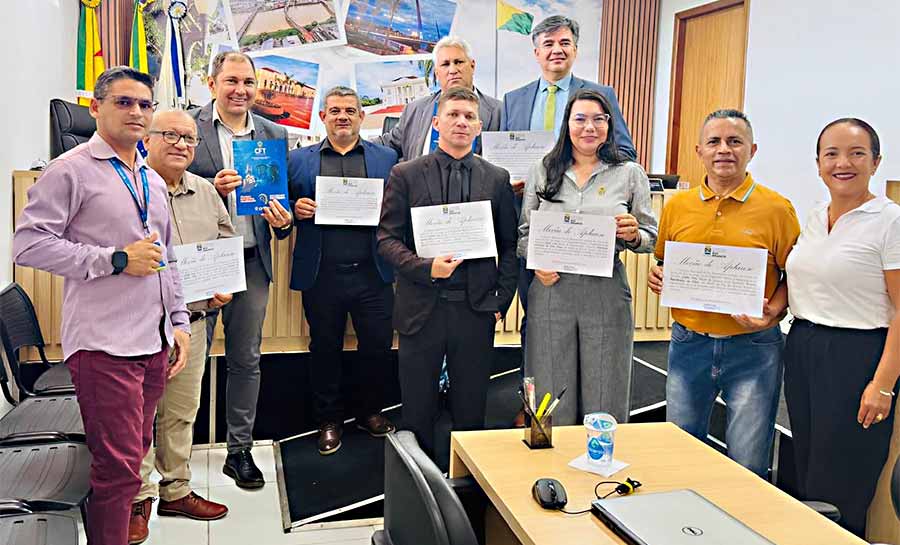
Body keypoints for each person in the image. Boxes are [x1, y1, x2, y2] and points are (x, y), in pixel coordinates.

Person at [12, 66, 191, 545]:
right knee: (118, 475)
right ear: (95, 108)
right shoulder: (69, 170)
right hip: (103, 346)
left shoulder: (150, 179)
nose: (137, 112)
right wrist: (112, 260)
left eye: (145, 104)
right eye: (124, 102)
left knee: (131, 462)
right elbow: (27, 246)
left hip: (153, 343)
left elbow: (165, 258)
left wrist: (179, 323)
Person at [647, 109, 800, 478]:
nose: (724, 150)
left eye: (735, 142)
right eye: (714, 142)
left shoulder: (777, 209)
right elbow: (666, 261)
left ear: (753, 150)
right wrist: (659, 276)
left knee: (747, 461)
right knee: (681, 451)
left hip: (753, 348)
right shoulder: (678, 205)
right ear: (700, 150)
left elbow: (793, 276)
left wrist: (773, 311)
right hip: (688, 344)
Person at [500, 17, 636, 420]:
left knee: (596, 348)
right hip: (537, 222)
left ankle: (573, 414)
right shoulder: (514, 98)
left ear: (575, 49)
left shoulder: (599, 95)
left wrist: (599, 190)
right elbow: (501, 153)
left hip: (591, 247)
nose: (556, 49)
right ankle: (538, 407)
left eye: (564, 42)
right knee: (541, 332)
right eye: (548, 43)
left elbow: (624, 153)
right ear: (536, 51)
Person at [377, 87, 518, 460]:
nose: (461, 122)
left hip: (474, 312)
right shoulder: (404, 174)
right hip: (420, 309)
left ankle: (468, 493)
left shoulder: (496, 178)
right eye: (453, 114)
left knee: (471, 412)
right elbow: (387, 241)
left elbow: (509, 245)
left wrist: (502, 299)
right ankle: (417, 493)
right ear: (436, 122)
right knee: (416, 412)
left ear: (479, 126)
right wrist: (426, 268)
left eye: (469, 116)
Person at [781, 118, 899, 537]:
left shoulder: (890, 221)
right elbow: (799, 281)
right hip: (803, 346)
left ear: (876, 161)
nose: (842, 163)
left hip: (859, 356)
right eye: (831, 154)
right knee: (807, 467)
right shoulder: (815, 217)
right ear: (818, 164)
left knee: (843, 479)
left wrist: (883, 384)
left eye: (856, 153)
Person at [517, 89, 657, 424]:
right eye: (580, 119)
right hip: (552, 292)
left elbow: (651, 237)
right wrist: (537, 262)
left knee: (605, 390)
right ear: (567, 124)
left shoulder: (628, 173)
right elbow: (524, 235)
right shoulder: (542, 169)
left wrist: (634, 234)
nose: (589, 127)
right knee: (551, 391)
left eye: (598, 119)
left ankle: (601, 468)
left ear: (609, 125)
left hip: (605, 292)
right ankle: (550, 470)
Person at [188, 51, 294, 489]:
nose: (241, 90)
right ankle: (172, 458)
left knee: (246, 358)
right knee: (188, 357)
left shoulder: (273, 133)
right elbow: (163, 183)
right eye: (231, 81)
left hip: (251, 262)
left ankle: (240, 450)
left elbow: (280, 198)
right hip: (200, 260)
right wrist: (208, 188)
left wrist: (284, 221)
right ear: (213, 84)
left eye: (249, 82)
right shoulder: (187, 127)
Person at [128, 110, 233, 543]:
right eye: (170, 135)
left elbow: (226, 239)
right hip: (137, 323)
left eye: (189, 138)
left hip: (193, 321)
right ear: (147, 139)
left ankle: (176, 490)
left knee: (181, 412)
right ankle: (137, 498)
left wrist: (224, 282)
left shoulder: (206, 191)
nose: (181, 144)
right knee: (137, 416)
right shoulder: (130, 188)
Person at [288, 87, 399, 455]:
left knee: (377, 349)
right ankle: (329, 420)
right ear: (322, 116)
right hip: (322, 274)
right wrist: (294, 208)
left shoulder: (387, 158)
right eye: (334, 110)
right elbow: (280, 210)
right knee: (324, 349)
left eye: (350, 110)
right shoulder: (298, 160)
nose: (342, 117)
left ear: (361, 117)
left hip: (374, 273)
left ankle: (370, 411)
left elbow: (399, 208)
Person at [378, 35, 502, 161]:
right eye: (445, 64)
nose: (452, 70)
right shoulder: (414, 110)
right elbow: (386, 146)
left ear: (472, 66)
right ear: (437, 73)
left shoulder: (499, 111)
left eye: (458, 62)